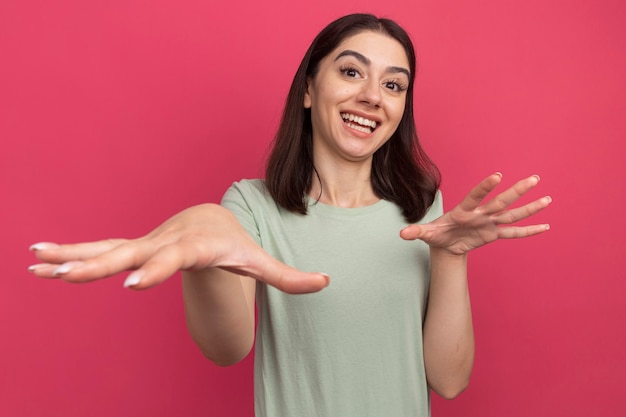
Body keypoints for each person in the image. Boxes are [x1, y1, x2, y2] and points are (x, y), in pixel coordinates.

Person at [28, 13, 551, 417]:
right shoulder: (252, 207)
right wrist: (206, 254)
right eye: (351, 72)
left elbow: (450, 380)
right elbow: (227, 348)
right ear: (308, 89)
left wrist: (451, 254)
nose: (372, 97)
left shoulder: (425, 212)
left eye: (393, 85)